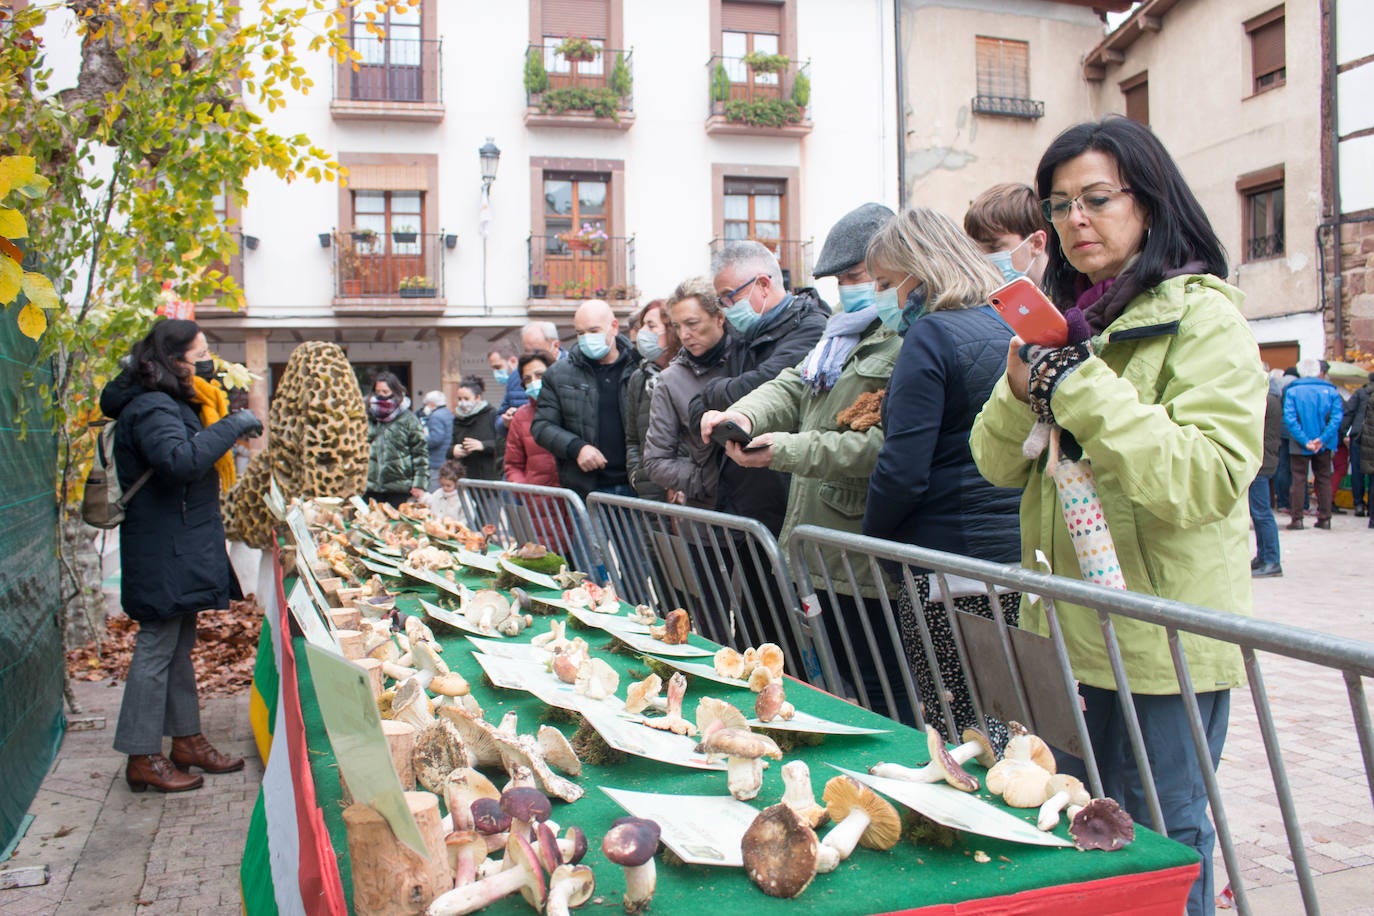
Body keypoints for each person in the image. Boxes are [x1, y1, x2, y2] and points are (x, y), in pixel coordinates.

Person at [969, 116, 1265, 916]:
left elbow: (1205, 478)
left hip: (1160, 643)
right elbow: (996, 462)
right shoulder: (1071, 324)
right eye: (1059, 206)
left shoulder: (1206, 319)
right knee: (1076, 828)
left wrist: (1078, 384)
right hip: (1064, 634)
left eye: (1096, 199)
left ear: (1150, 200)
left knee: (1165, 845)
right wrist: (1019, 381)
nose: (1075, 222)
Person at [703, 203, 905, 715]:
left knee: (878, 694)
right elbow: (790, 387)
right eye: (841, 280)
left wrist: (785, 451)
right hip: (817, 548)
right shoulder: (840, 332)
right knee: (834, 686)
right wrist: (744, 416)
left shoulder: (904, 335)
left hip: (861, 548)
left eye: (857, 276)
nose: (849, 289)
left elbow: (885, 445)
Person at [856, 206, 1021, 736]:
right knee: (1011, 715)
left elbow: (903, 468)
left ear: (917, 271)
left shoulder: (930, 336)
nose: (883, 296)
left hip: (945, 558)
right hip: (1016, 553)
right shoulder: (1009, 323)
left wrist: (876, 540)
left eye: (885, 282)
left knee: (956, 718)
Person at [99, 319, 264, 792]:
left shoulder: (165, 401)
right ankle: (142, 754)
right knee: (156, 648)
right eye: (201, 354)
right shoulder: (151, 407)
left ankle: (186, 740)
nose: (207, 362)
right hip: (162, 548)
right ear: (174, 360)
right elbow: (178, 462)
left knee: (178, 646)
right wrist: (232, 425)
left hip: (176, 543)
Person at [700, 240, 828, 534]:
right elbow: (698, 406)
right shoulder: (743, 335)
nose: (726, 308)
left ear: (763, 285)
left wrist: (713, 392)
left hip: (785, 497)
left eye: (729, 296)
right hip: (743, 498)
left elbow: (764, 384)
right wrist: (716, 396)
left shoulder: (812, 328)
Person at [531, 300, 641, 499]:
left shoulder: (639, 369)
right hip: (587, 489)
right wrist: (576, 447)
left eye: (593, 331)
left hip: (635, 488)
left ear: (614, 327)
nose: (586, 339)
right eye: (580, 333)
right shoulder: (558, 374)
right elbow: (542, 426)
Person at [645, 280, 735, 508]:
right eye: (677, 326)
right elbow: (656, 461)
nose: (684, 335)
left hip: (765, 512)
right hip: (709, 521)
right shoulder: (670, 380)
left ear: (719, 318)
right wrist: (709, 481)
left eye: (692, 324)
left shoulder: (750, 358)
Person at [624, 299, 679, 502]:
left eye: (651, 326)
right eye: (642, 326)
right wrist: (636, 476)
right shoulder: (639, 378)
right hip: (649, 493)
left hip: (685, 493)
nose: (643, 333)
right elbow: (632, 439)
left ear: (671, 329)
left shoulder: (690, 373)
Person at [1282, 358, 1343, 530]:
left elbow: (1290, 419)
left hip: (1299, 443)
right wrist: (1322, 439)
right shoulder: (1331, 391)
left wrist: (1304, 440)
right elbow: (1336, 417)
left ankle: (1297, 518)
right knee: (1324, 478)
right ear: (1318, 371)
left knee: (1298, 479)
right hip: (1324, 443)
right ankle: (1325, 518)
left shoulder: (1293, 391)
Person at [963, 182, 1051, 286]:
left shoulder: (1070, 295)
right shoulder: (990, 297)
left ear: (1037, 243)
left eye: (994, 248)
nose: (983, 261)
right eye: (975, 251)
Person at [364, 371, 428, 507]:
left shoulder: (408, 419)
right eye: (378, 391)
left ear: (395, 391)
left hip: (399, 488)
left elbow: (420, 454)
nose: (381, 396)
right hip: (369, 487)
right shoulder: (367, 417)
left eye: (385, 392)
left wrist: (419, 484)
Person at [503, 351, 560, 488]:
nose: (534, 382)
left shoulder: (573, 407)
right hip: (537, 502)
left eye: (539, 375)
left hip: (573, 503)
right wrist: (524, 491)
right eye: (527, 379)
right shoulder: (521, 417)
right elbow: (513, 465)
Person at [1251, 372, 1284, 577]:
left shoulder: (1266, 401)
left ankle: (1271, 559)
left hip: (1261, 463)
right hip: (1265, 460)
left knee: (1262, 513)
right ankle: (1264, 556)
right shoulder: (1272, 399)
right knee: (1259, 512)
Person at [450, 375, 499, 481]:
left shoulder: (492, 415)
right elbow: (450, 445)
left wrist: (483, 445)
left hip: (489, 479)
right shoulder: (457, 419)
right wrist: (453, 450)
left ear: (478, 398)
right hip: (464, 477)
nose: (462, 403)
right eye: (459, 399)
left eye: (466, 399)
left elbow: (503, 444)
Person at [1272, 366, 1300, 511]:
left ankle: (1281, 501)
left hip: (1280, 429)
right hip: (1297, 432)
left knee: (1281, 466)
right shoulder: (1298, 385)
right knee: (1297, 470)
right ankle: (1298, 504)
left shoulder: (1276, 383)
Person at [489, 341, 528, 438]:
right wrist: (505, 421)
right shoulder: (511, 383)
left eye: (498, 367)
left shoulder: (520, 380)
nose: (496, 372)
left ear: (513, 361)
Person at [420, 389, 454, 490]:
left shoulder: (435, 416)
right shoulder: (448, 413)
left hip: (436, 460)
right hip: (446, 458)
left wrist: (422, 439)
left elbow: (436, 439)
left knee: (434, 490)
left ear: (432, 404)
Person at [425, 459, 467, 524]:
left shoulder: (464, 499)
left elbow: (465, 521)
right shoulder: (438, 493)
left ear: (457, 484)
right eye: (442, 485)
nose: (444, 488)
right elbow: (430, 502)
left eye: (448, 485)